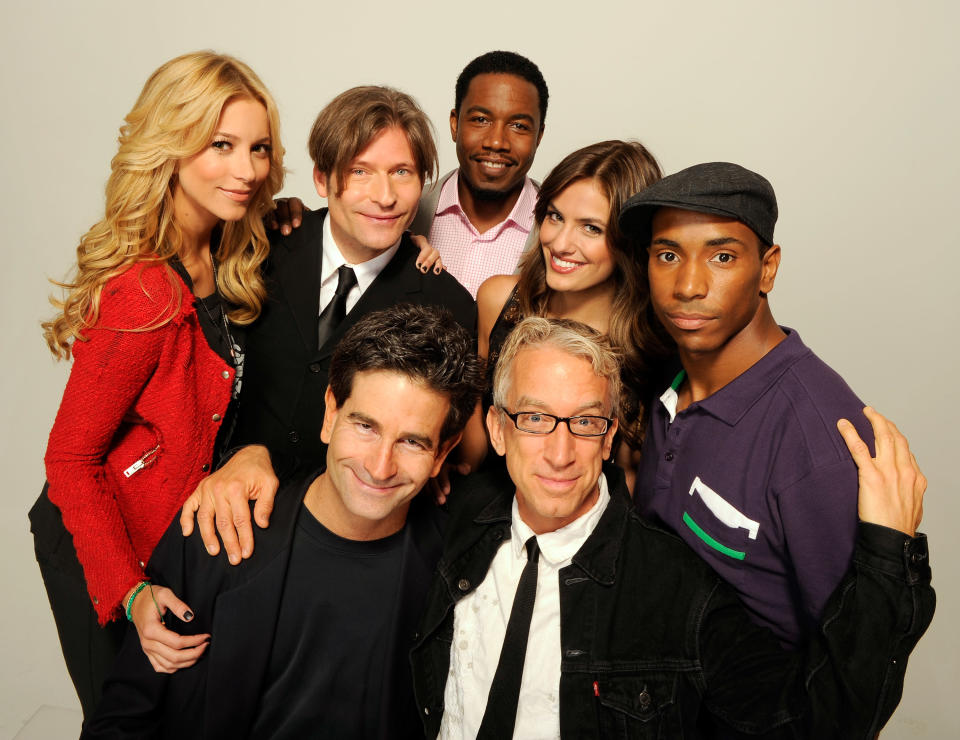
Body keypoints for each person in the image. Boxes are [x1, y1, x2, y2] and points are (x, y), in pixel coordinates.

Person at [410, 317, 933, 738]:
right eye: (536, 418)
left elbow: (819, 722)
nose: (561, 451)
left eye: (587, 422)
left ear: (610, 435)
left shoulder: (680, 594)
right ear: (499, 430)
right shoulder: (460, 520)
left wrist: (887, 554)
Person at [82, 305, 485, 739]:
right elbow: (121, 721)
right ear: (330, 412)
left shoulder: (458, 575)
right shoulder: (219, 528)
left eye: (411, 441)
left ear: (444, 451)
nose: (380, 465)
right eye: (365, 426)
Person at [30, 51, 285, 719]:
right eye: (221, 145)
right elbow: (69, 461)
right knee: (124, 722)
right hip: (96, 535)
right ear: (171, 148)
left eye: (258, 149)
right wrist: (131, 591)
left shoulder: (226, 253)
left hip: (164, 531)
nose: (247, 169)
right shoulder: (144, 292)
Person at [190, 85, 476, 566]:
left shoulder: (447, 303)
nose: (384, 197)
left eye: (401, 173)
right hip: (224, 520)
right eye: (360, 172)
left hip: (354, 551)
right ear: (322, 178)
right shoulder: (257, 245)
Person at [620, 162, 876, 647]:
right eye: (668, 254)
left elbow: (854, 676)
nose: (688, 286)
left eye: (722, 257)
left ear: (768, 268)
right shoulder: (665, 383)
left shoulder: (820, 442)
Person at [476, 140, 673, 486]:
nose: (560, 242)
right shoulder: (498, 300)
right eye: (555, 216)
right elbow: (473, 452)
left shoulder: (651, 346)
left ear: (628, 241)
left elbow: (633, 485)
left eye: (591, 228)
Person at [408, 50, 548, 297]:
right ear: (455, 124)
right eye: (481, 119)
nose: (496, 142)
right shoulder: (403, 211)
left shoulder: (559, 232)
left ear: (539, 136)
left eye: (519, 126)